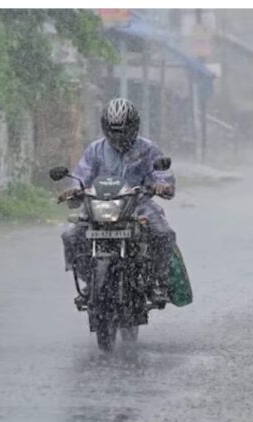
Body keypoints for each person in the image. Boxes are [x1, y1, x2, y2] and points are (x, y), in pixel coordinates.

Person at [60, 98, 176, 305]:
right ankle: (90, 280)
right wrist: (74, 190)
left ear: (134, 126)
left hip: (138, 204)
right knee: (71, 235)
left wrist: (162, 185)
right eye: (113, 130)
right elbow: (82, 175)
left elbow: (162, 174)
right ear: (105, 128)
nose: (118, 136)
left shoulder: (148, 149)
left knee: (164, 234)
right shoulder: (95, 150)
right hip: (100, 205)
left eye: (123, 130)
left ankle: (158, 280)